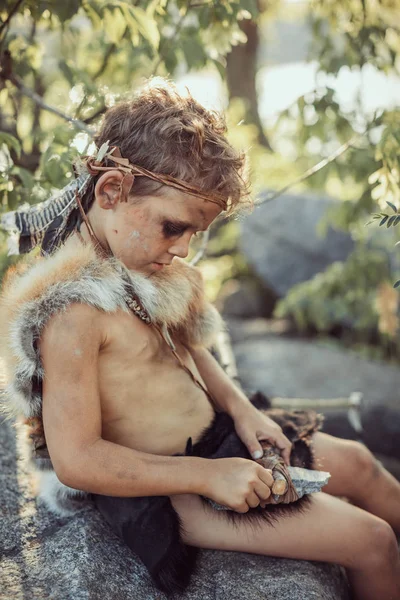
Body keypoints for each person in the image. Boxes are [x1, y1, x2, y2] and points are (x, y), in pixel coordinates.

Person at [1, 77, 400, 600]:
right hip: (170, 489)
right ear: (112, 190)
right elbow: (78, 459)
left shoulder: (132, 256)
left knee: (363, 466)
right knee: (371, 540)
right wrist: (206, 478)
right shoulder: (71, 311)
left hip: (217, 441)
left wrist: (242, 410)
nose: (184, 250)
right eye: (175, 228)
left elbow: (183, 347)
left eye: (196, 233)